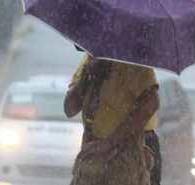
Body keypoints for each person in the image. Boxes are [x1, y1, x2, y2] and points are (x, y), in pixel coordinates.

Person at [65, 54, 159, 185]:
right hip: (95, 156)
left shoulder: (130, 61)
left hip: (128, 155)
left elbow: (151, 103)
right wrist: (86, 78)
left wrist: (109, 143)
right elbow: (69, 109)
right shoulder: (88, 61)